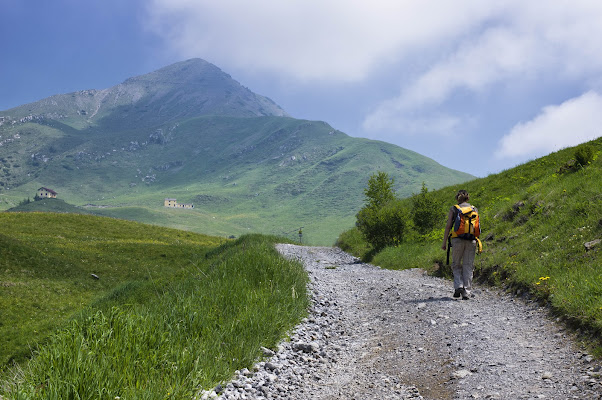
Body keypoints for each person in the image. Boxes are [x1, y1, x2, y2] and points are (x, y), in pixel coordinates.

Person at [441, 190, 477, 300]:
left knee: (456, 264)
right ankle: (466, 291)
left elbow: (448, 226)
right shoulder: (474, 209)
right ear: (468, 198)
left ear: (457, 198)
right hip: (471, 240)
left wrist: (444, 242)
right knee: (468, 266)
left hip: (457, 240)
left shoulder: (454, 208)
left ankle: (459, 286)